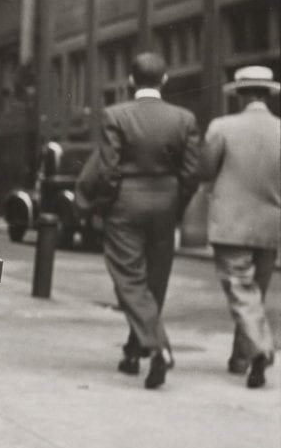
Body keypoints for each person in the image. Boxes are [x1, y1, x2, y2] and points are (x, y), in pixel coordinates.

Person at [77, 52, 201, 389]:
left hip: (125, 204)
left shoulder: (115, 115)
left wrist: (104, 205)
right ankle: (135, 351)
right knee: (155, 280)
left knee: (129, 278)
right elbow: (192, 173)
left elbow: (108, 169)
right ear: (165, 80)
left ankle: (156, 344)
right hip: (166, 203)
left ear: (131, 81)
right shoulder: (184, 119)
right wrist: (177, 204)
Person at [201, 65, 281, 388]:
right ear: (266, 95)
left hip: (231, 223)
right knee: (254, 294)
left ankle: (260, 350)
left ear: (241, 94)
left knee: (240, 290)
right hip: (270, 225)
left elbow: (206, 169)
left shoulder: (222, 126)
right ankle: (240, 359)